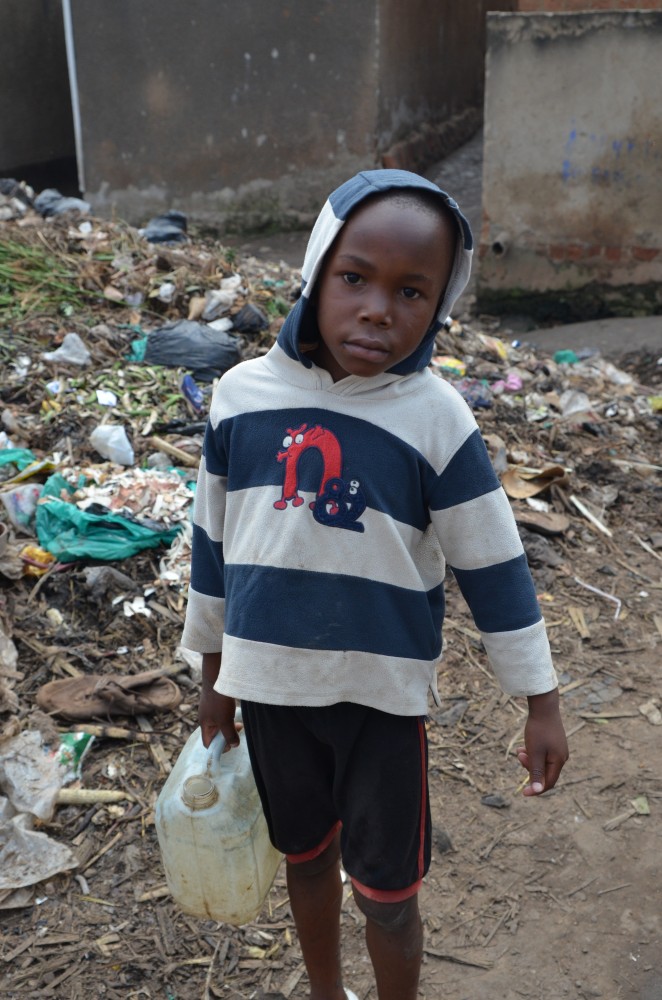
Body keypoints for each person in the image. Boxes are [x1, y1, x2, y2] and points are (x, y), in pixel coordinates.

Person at [181, 168, 569, 1000]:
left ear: (439, 310)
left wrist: (539, 697)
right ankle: (327, 992)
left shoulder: (434, 418)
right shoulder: (241, 400)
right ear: (317, 272)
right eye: (354, 277)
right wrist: (213, 683)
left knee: (390, 898)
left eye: (412, 291)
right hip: (272, 694)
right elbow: (212, 550)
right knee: (306, 859)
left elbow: (493, 565)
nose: (377, 309)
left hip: (381, 705)